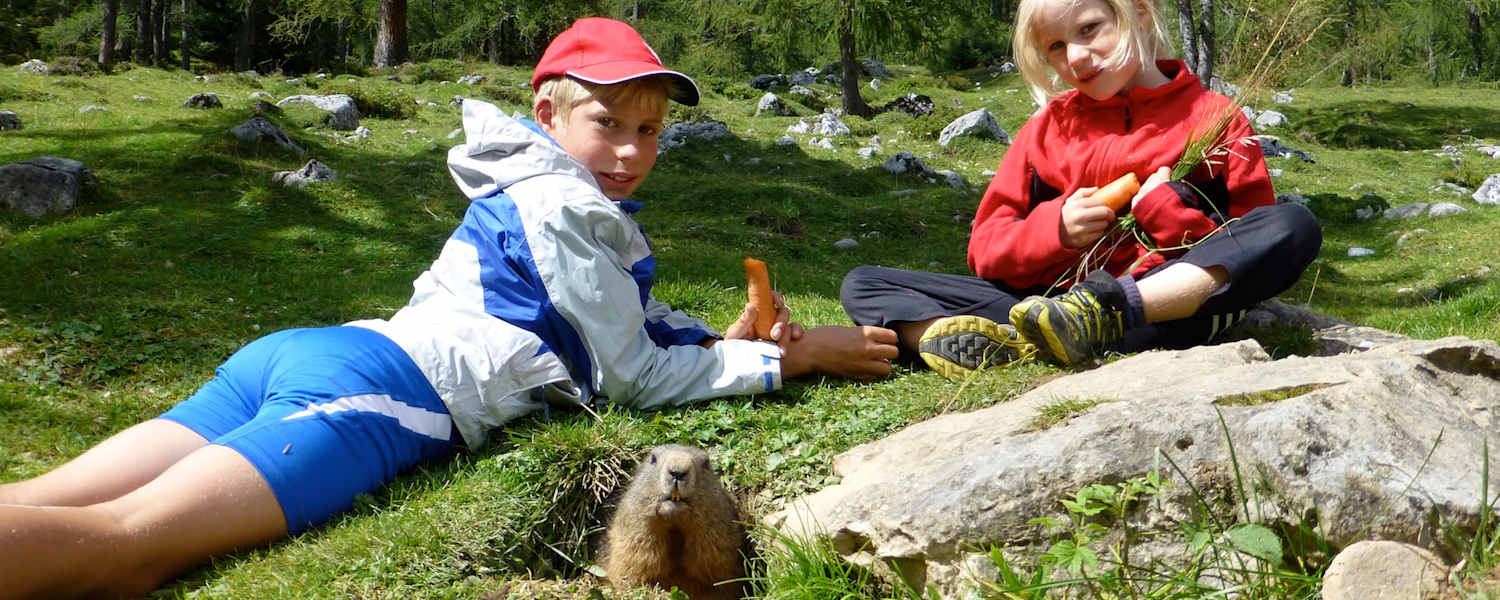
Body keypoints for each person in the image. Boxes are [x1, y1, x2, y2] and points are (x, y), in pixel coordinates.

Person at [0, 17, 898, 599]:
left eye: (650, 130)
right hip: (376, 398)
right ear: (548, 111)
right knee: (123, 549)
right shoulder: (569, 205)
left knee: (44, 497)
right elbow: (625, 377)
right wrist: (789, 359)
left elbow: (599, 324)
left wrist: (715, 338)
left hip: (318, 354)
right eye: (608, 124)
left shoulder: (534, 188)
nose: (631, 151)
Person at [840, 0, 1321, 380]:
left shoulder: (1214, 117)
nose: (1075, 57)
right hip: (1045, 304)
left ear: (1139, 10)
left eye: (1089, 29)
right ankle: (993, 338)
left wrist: (1163, 211)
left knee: (1293, 224)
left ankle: (1096, 320)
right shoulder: (1047, 129)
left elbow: (1244, 240)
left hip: (1164, 309)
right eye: (1055, 46)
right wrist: (1057, 230)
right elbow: (985, 249)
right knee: (865, 281)